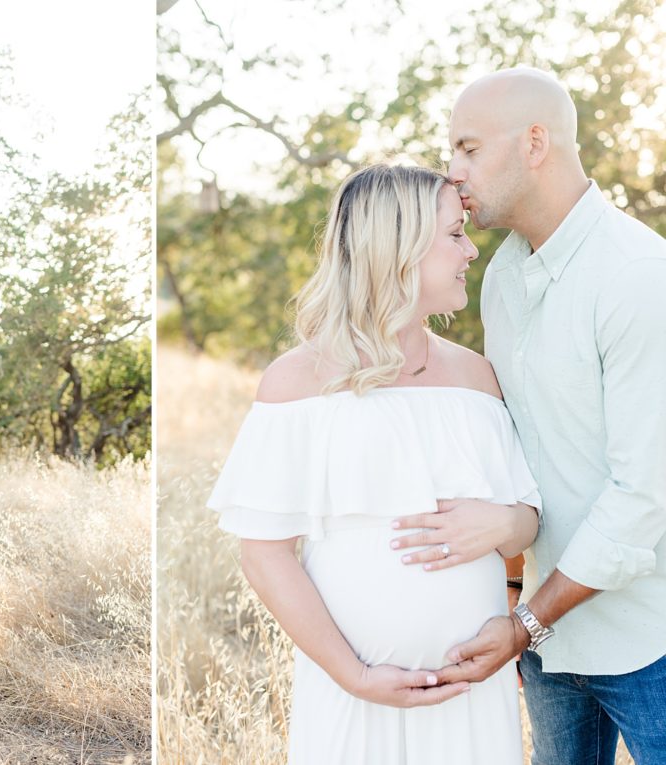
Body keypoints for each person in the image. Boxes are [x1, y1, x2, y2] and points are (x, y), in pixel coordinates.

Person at [207, 163, 541, 764]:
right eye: (454, 233)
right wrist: (353, 675)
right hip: (355, 693)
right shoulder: (296, 383)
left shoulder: (476, 375)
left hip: (470, 688)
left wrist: (506, 525)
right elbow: (264, 553)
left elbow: (527, 521)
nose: (470, 249)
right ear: (398, 248)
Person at [437, 67, 666, 764]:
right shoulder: (502, 275)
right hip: (547, 640)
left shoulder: (638, 276)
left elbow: (643, 497)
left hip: (649, 639)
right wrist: (518, 608)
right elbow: (517, 455)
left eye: (469, 148)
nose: (453, 172)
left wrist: (527, 622)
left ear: (536, 142)